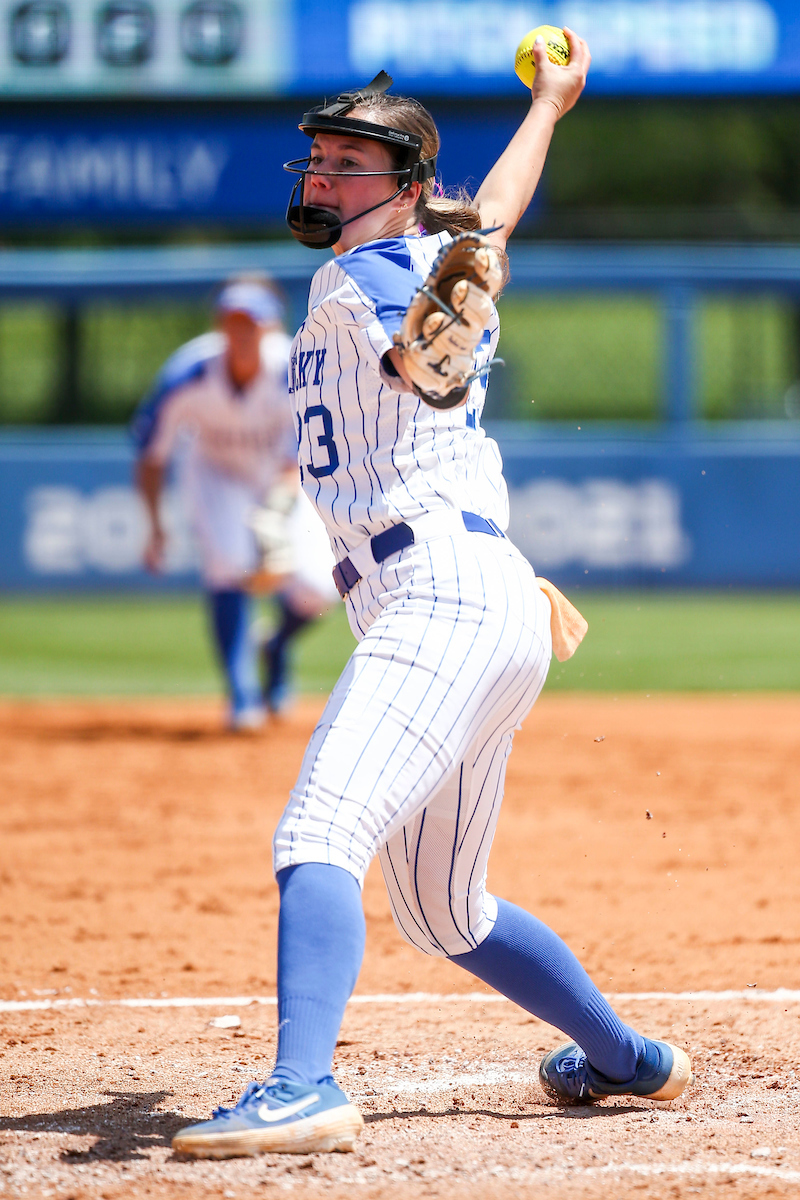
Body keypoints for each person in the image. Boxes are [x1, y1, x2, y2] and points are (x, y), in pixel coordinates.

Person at [173, 32, 693, 1159]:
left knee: (319, 828)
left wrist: (435, 344)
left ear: (401, 188)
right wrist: (550, 107)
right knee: (442, 912)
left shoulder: (375, 276)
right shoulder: (412, 257)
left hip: (440, 591)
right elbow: (489, 221)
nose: (320, 178)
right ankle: (625, 1060)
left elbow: (428, 353)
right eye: (315, 160)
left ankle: (302, 1086)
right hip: (466, 597)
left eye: (346, 164)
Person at [132, 278, 336, 730]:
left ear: (269, 328)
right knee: (229, 563)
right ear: (220, 325)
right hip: (216, 475)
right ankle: (242, 696)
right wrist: (154, 526)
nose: (240, 332)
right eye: (232, 322)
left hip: (285, 479)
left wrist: (278, 506)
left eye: (251, 323)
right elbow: (151, 455)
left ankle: (277, 645)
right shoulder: (189, 372)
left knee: (318, 588)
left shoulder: (293, 366)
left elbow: (310, 441)